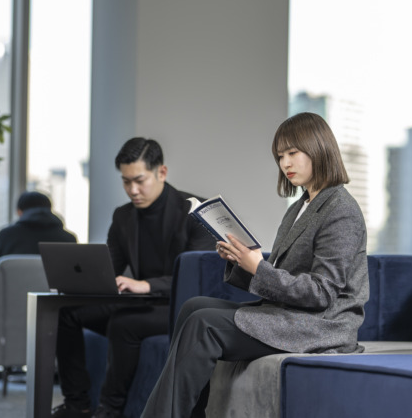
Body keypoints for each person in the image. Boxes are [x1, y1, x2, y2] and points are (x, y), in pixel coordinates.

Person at [141, 112, 369, 418]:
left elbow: (322, 293)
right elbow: (283, 278)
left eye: (293, 153)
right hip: (294, 314)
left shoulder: (341, 210)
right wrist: (244, 261)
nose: (285, 163)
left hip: (321, 326)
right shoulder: (300, 208)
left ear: (319, 149)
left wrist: (257, 266)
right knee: (193, 307)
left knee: (203, 324)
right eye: (280, 156)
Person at [51, 138, 216, 418]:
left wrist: (146, 284)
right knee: (67, 314)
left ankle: (110, 409)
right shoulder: (123, 217)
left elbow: (195, 278)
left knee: (124, 323)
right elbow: (110, 267)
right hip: (142, 302)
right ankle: (77, 404)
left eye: (139, 180)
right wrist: (87, 279)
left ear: (161, 172)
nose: (133, 190)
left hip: (179, 307)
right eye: (126, 182)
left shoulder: (196, 211)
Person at [0, 191, 77, 388]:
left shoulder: (6, 235)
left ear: (20, 212)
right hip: (54, 318)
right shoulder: (68, 239)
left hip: (5, 319)